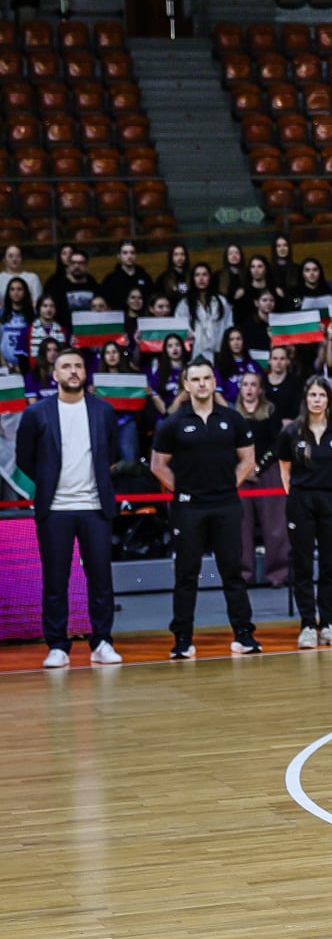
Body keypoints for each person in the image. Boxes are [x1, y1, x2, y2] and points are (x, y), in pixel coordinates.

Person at [152, 360, 261, 659]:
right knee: (186, 574)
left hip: (226, 505)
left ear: (214, 382)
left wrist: (227, 485)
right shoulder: (173, 422)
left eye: (206, 378)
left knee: (233, 572)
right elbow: (158, 465)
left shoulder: (232, 418)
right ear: (186, 385)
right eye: (196, 379)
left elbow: (248, 459)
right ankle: (183, 639)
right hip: (189, 508)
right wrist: (185, 490)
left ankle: (244, 635)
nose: (202, 383)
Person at [22, 346, 121, 668]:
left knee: (101, 579)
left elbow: (112, 453)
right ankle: (57, 646)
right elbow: (25, 459)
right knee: (55, 581)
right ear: (55, 374)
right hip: (55, 509)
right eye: (66, 366)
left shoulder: (103, 410)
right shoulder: (37, 413)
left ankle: (102, 642)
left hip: (95, 507)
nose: (73, 371)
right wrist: (49, 480)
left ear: (85, 372)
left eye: (78, 365)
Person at [280, 376, 332, 647]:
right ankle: (308, 625)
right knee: (302, 564)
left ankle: (327, 624)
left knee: (329, 564)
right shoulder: (292, 432)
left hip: (331, 500)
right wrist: (297, 493)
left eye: (322, 395)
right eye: (312, 395)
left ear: (328, 399)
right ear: (305, 398)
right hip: (300, 500)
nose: (317, 400)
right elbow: (285, 469)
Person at [232, 370, 290, 590]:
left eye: (253, 384)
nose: (248, 389)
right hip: (240, 472)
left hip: (268, 471)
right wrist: (245, 468)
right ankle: (242, 575)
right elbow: (229, 444)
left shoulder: (271, 411)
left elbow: (278, 443)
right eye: (245, 384)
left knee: (276, 525)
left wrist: (259, 466)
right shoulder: (232, 415)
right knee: (240, 526)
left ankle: (278, 574)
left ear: (260, 389)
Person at [96, 240, 149, 311]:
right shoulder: (111, 279)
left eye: (132, 253)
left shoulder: (145, 277)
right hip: (117, 316)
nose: (129, 256)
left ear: (136, 255)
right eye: (125, 253)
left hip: (142, 316)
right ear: (119, 256)